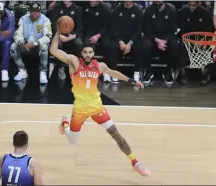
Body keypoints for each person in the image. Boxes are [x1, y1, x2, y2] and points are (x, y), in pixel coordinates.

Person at [49, 21, 151, 177]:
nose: (88, 55)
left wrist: (132, 80)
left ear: (93, 53)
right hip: (80, 110)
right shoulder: (74, 63)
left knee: (116, 135)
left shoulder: (100, 66)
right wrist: (57, 31)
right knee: (73, 141)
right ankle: (65, 122)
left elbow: (114, 73)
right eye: (85, 53)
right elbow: (53, 50)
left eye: (90, 52)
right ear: (81, 54)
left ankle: (135, 162)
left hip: (97, 108)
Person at [10, 3, 52, 84]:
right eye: (33, 11)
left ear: (40, 12)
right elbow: (17, 34)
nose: (34, 13)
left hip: (38, 44)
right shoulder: (23, 19)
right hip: (25, 43)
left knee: (44, 47)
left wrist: (36, 43)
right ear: (29, 11)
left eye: (37, 11)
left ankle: (42, 72)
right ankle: (22, 70)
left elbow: (48, 37)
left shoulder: (45, 20)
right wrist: (21, 42)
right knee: (13, 47)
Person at [0, 2, 15, 82]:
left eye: (0, 13)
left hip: (4, 38)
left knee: (7, 43)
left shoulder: (9, 15)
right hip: (2, 36)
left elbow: (10, 32)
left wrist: (0, 36)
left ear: (3, 12)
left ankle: (4, 70)